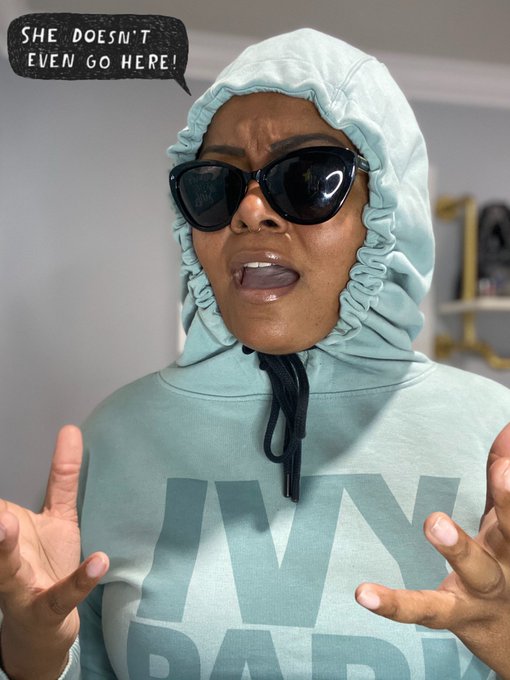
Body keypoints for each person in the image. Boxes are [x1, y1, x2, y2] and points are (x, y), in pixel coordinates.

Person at [0, 27, 509, 680]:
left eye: (307, 176)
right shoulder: (116, 437)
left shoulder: (496, 439)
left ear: (388, 206)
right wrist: (33, 651)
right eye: (217, 183)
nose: (251, 211)